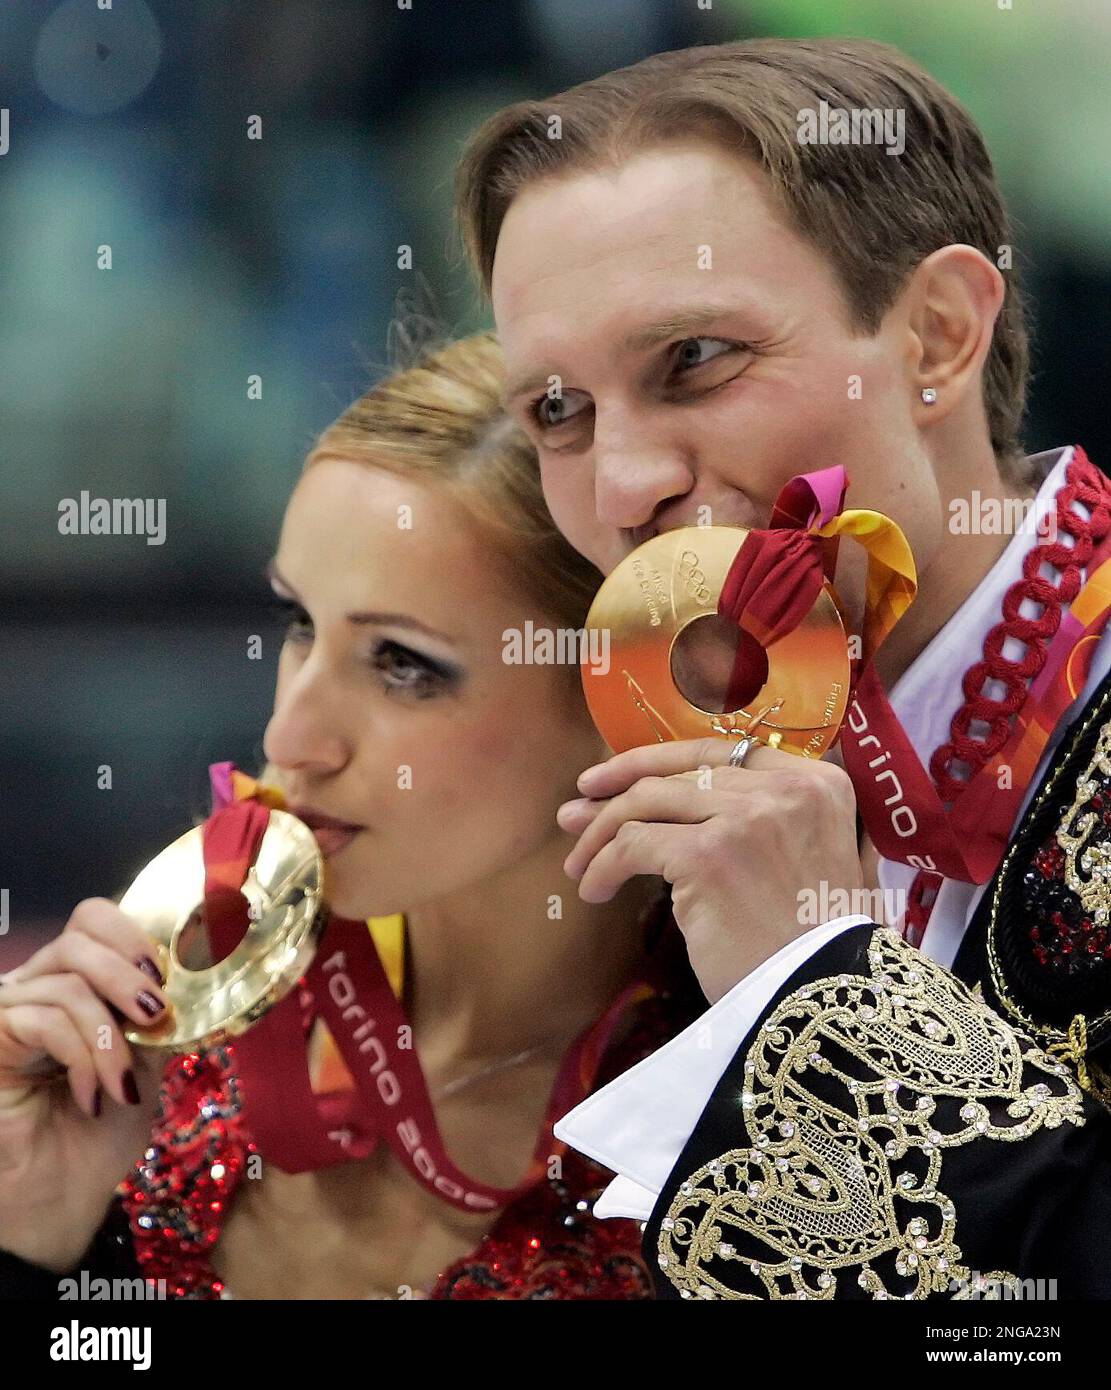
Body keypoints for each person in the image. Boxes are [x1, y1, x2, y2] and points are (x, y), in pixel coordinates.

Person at [453, 36, 1111, 1298]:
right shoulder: (634, 796)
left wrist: (816, 989)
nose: (625, 483)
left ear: (935, 335)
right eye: (557, 410)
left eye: (695, 361)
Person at [0, 330, 704, 1300]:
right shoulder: (146, 1048)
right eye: (300, 623)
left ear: (621, 696)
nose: (292, 737)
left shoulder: (753, 1126)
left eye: (402, 664)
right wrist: (34, 1243)